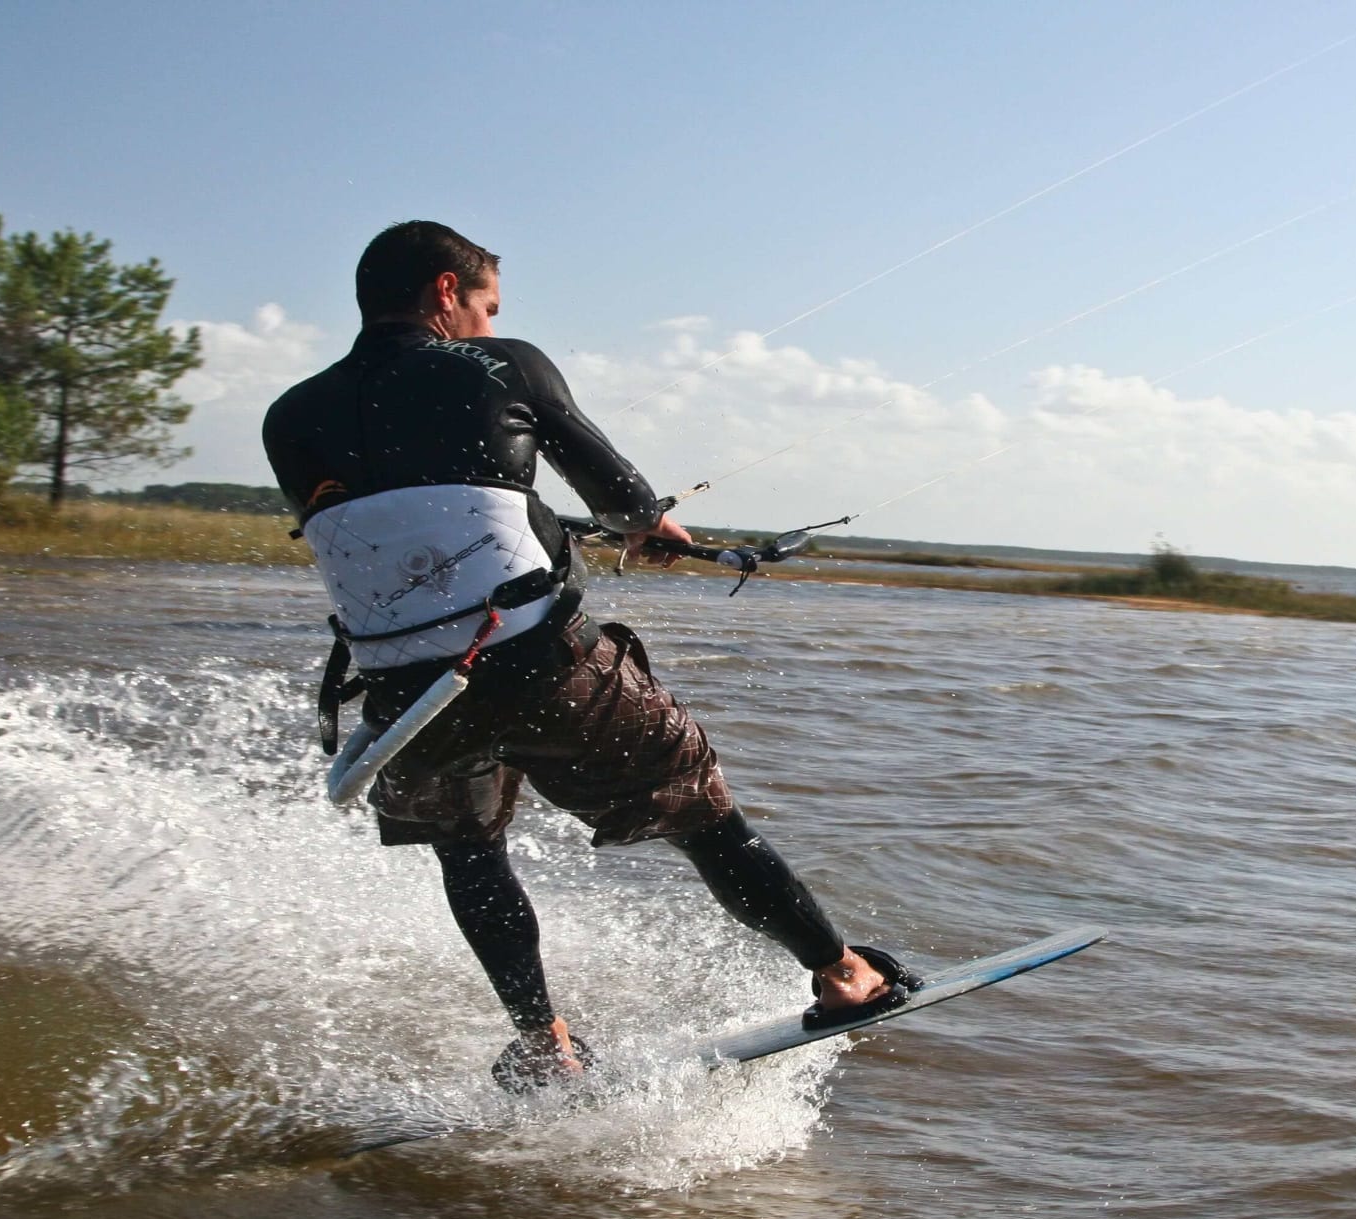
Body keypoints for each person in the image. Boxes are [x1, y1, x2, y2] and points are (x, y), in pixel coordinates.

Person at [263, 221, 905, 1089]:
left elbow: (400, 524)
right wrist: (651, 530)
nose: (491, 323)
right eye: (486, 305)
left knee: (469, 853)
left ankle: (544, 1040)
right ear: (446, 294)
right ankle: (844, 976)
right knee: (703, 816)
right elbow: (622, 499)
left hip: (404, 698)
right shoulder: (504, 365)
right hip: (539, 664)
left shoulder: (288, 417)